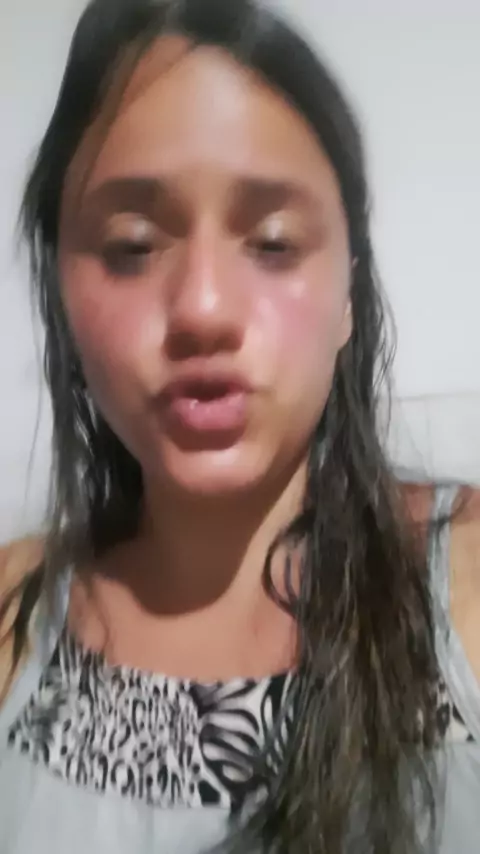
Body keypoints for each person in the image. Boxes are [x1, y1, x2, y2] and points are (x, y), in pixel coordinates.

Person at [0, 0, 479, 851]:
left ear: (348, 298)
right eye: (131, 246)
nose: (204, 308)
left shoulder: (465, 587)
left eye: (273, 242)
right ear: (61, 297)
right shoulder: (13, 615)